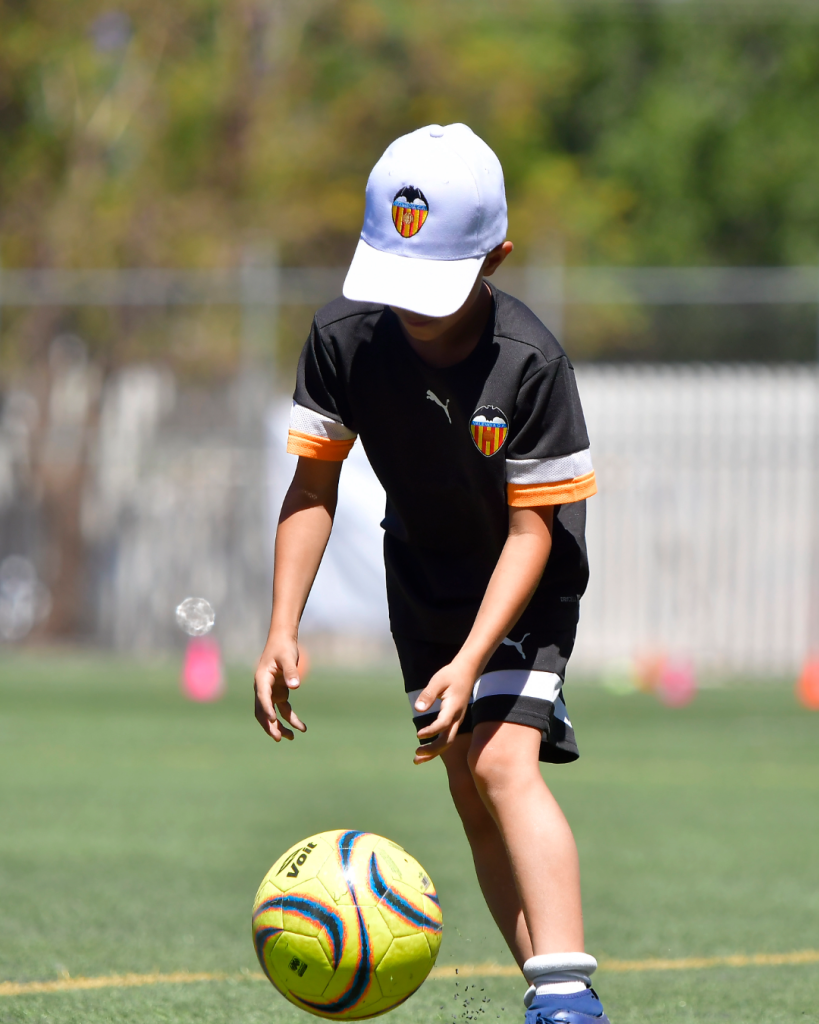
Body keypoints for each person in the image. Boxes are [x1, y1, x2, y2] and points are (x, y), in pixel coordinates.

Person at [254, 123, 610, 1024]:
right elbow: (311, 483)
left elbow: (534, 534)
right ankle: (549, 988)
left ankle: (568, 999)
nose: (411, 309)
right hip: (419, 574)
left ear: (496, 257)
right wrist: (280, 627)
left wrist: (473, 655)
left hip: (523, 581)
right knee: (464, 778)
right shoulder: (344, 340)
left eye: (436, 284)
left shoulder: (530, 363)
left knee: (499, 760)